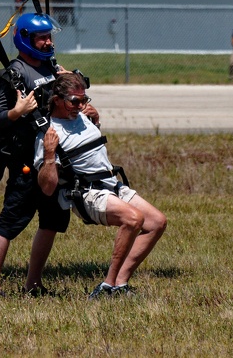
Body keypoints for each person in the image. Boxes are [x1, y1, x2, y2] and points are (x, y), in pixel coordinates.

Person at [0, 12, 98, 297]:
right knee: (9, 223)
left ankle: (33, 284)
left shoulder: (54, 67)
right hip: (26, 162)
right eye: (41, 38)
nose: (48, 42)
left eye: (49, 36)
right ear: (26, 40)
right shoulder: (14, 74)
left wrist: (83, 107)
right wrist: (16, 112)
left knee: (52, 222)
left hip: (55, 158)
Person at [35, 71, 167, 298]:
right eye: (75, 101)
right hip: (85, 194)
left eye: (84, 100)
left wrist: (96, 121)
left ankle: (120, 283)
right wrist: (49, 154)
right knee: (133, 219)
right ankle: (107, 286)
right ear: (57, 100)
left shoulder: (83, 117)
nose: (80, 105)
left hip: (110, 184)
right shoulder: (48, 133)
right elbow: (47, 188)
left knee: (157, 222)